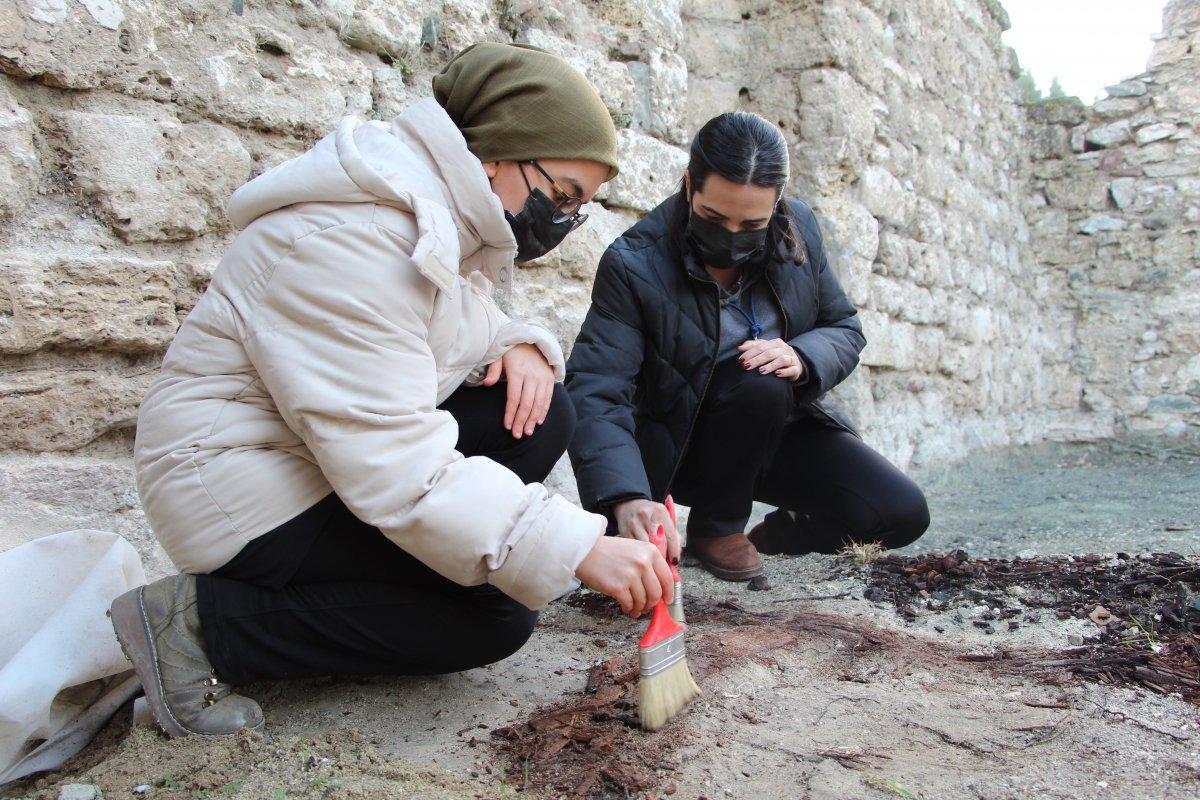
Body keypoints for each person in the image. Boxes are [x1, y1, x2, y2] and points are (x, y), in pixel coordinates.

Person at [110, 43, 676, 739]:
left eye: (575, 208)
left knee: (536, 414)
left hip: (305, 463)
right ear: (499, 152)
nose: (560, 220)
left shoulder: (425, 214)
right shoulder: (351, 241)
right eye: (560, 195)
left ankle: (398, 579)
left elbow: (451, 325)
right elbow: (400, 467)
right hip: (236, 494)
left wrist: (518, 341)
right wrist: (574, 545)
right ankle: (197, 626)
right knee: (492, 616)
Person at [565, 112, 930, 582]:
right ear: (688, 185)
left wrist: (802, 356)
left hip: (775, 430)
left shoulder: (799, 228)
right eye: (714, 217)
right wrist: (626, 496)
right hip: (682, 444)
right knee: (758, 382)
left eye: (752, 223)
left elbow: (843, 327)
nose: (732, 236)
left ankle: (770, 538)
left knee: (900, 512)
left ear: (777, 204)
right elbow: (597, 386)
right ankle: (716, 528)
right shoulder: (635, 264)